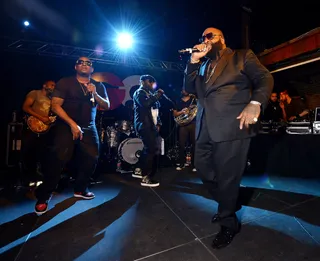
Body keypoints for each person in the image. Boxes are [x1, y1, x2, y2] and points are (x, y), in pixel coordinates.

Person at [184, 27, 274, 248]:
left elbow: (265, 77)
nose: (205, 39)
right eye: (202, 36)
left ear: (221, 39)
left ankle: (228, 222)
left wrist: (255, 104)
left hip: (233, 125)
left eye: (210, 36)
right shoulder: (203, 64)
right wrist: (194, 61)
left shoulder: (241, 56)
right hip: (205, 125)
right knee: (203, 168)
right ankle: (228, 202)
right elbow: (188, 88)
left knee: (227, 176)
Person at [34, 57, 110, 215]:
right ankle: (44, 195)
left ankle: (80, 189)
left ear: (92, 69)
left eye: (88, 63)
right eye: (81, 62)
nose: (84, 64)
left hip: (89, 126)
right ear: (75, 66)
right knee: (59, 158)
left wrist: (95, 94)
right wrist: (72, 124)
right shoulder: (65, 82)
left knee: (92, 158)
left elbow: (106, 105)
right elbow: (55, 106)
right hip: (66, 124)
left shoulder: (98, 86)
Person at [22, 80, 56, 183]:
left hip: (45, 129)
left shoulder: (52, 99)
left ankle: (40, 176)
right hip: (32, 126)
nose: (54, 87)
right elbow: (25, 107)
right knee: (28, 151)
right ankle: (27, 178)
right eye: (52, 85)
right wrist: (40, 117)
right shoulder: (35, 93)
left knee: (42, 152)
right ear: (44, 85)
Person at [133, 75, 163, 187]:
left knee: (148, 149)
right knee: (151, 149)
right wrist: (158, 95)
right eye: (150, 83)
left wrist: (158, 123)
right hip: (144, 125)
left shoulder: (149, 94)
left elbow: (155, 110)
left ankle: (139, 170)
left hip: (151, 125)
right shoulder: (139, 92)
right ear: (144, 82)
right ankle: (146, 177)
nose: (152, 85)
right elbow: (145, 104)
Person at [172, 90, 196, 171]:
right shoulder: (177, 100)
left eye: (186, 89)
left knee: (194, 144)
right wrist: (182, 111)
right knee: (181, 144)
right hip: (182, 125)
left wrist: (190, 111)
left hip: (193, 123)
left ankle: (194, 165)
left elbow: (198, 110)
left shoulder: (194, 99)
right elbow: (175, 114)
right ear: (181, 91)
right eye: (183, 89)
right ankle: (181, 163)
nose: (185, 91)